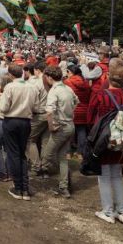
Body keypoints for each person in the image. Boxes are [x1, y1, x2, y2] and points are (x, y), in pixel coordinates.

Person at [87, 67, 123, 224]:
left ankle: (108, 211)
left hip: (104, 138)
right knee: (117, 175)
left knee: (104, 176)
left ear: (109, 78)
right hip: (122, 139)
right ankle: (122, 211)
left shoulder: (101, 94)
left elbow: (90, 116)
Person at [0, 64, 42, 201]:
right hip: (26, 122)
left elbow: (3, 108)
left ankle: (18, 188)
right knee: (22, 154)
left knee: (13, 154)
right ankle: (25, 187)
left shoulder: (10, 87)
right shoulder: (32, 87)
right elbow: (36, 107)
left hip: (11, 121)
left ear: (11, 75)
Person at [38, 66, 79, 198]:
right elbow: (76, 101)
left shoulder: (54, 91)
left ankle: (65, 180)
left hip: (60, 126)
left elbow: (49, 111)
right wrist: (70, 113)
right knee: (62, 157)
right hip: (70, 125)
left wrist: (51, 126)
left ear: (49, 77)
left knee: (47, 156)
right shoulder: (67, 88)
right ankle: (64, 186)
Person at [63, 64, 91, 157]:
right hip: (84, 110)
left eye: (67, 72)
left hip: (72, 109)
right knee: (81, 131)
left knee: (68, 132)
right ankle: (80, 152)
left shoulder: (67, 82)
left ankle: (67, 152)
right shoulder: (86, 83)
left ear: (71, 72)